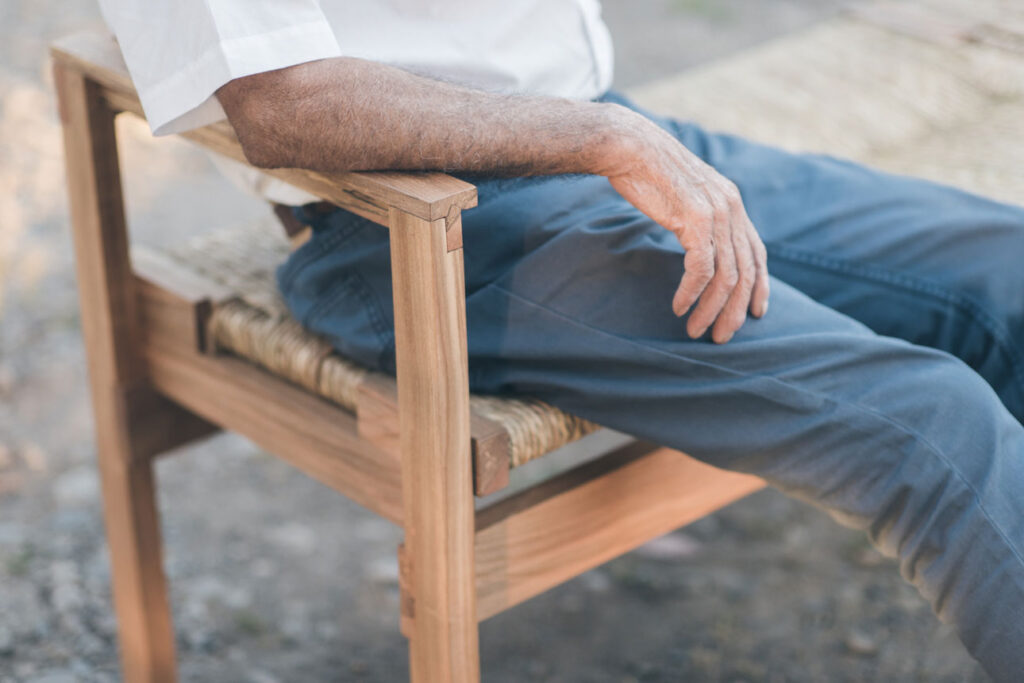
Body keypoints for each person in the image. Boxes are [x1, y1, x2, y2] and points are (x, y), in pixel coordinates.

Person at [98, 0, 1024, 679]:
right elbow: (281, 101)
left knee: (1007, 272)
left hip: (593, 126)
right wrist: (604, 139)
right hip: (421, 222)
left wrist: (610, 136)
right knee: (933, 427)